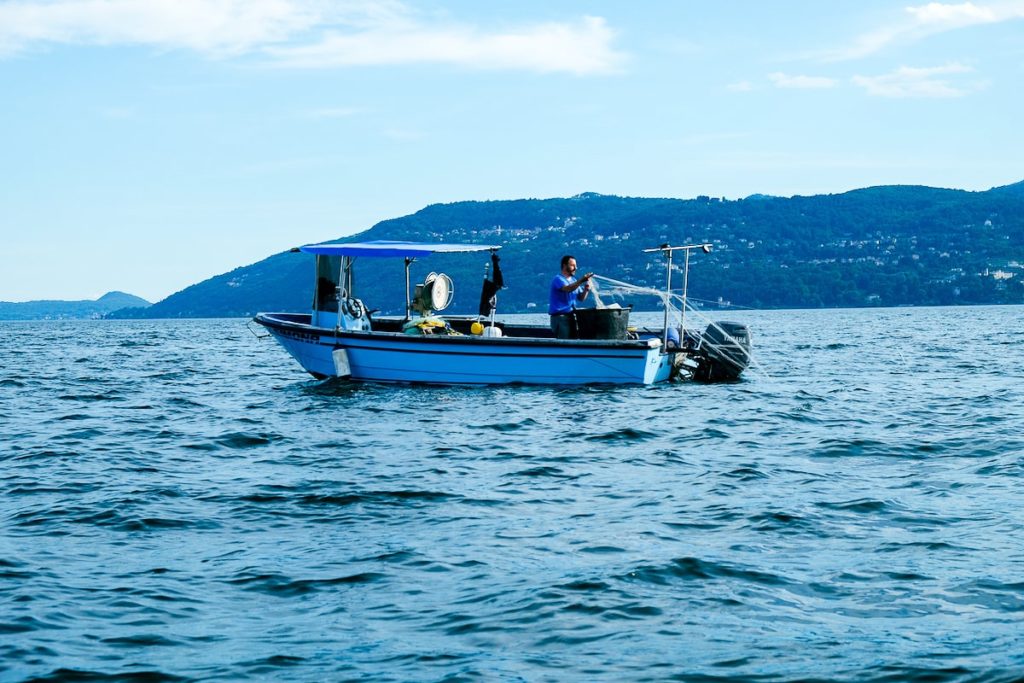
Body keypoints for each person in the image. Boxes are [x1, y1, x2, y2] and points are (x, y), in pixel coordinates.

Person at [549, 255, 593, 339]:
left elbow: (581, 298)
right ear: (564, 266)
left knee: (574, 341)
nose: (576, 268)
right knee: (564, 343)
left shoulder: (574, 280)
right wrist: (581, 281)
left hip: (571, 316)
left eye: (576, 266)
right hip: (560, 318)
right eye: (572, 265)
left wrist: (586, 290)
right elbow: (568, 289)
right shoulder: (558, 279)